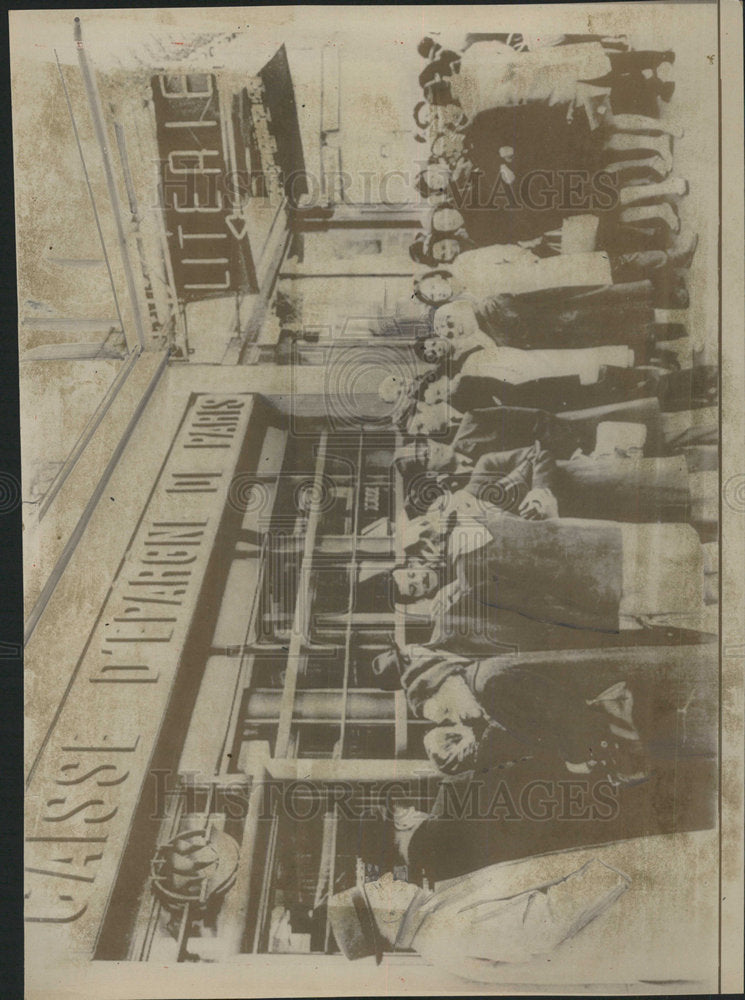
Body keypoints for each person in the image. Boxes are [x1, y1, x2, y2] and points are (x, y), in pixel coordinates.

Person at [328, 860, 631, 978]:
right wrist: (618, 866)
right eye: (381, 887)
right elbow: (547, 922)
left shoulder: (435, 920)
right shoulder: (447, 932)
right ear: (390, 914)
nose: (389, 877)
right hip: (625, 901)